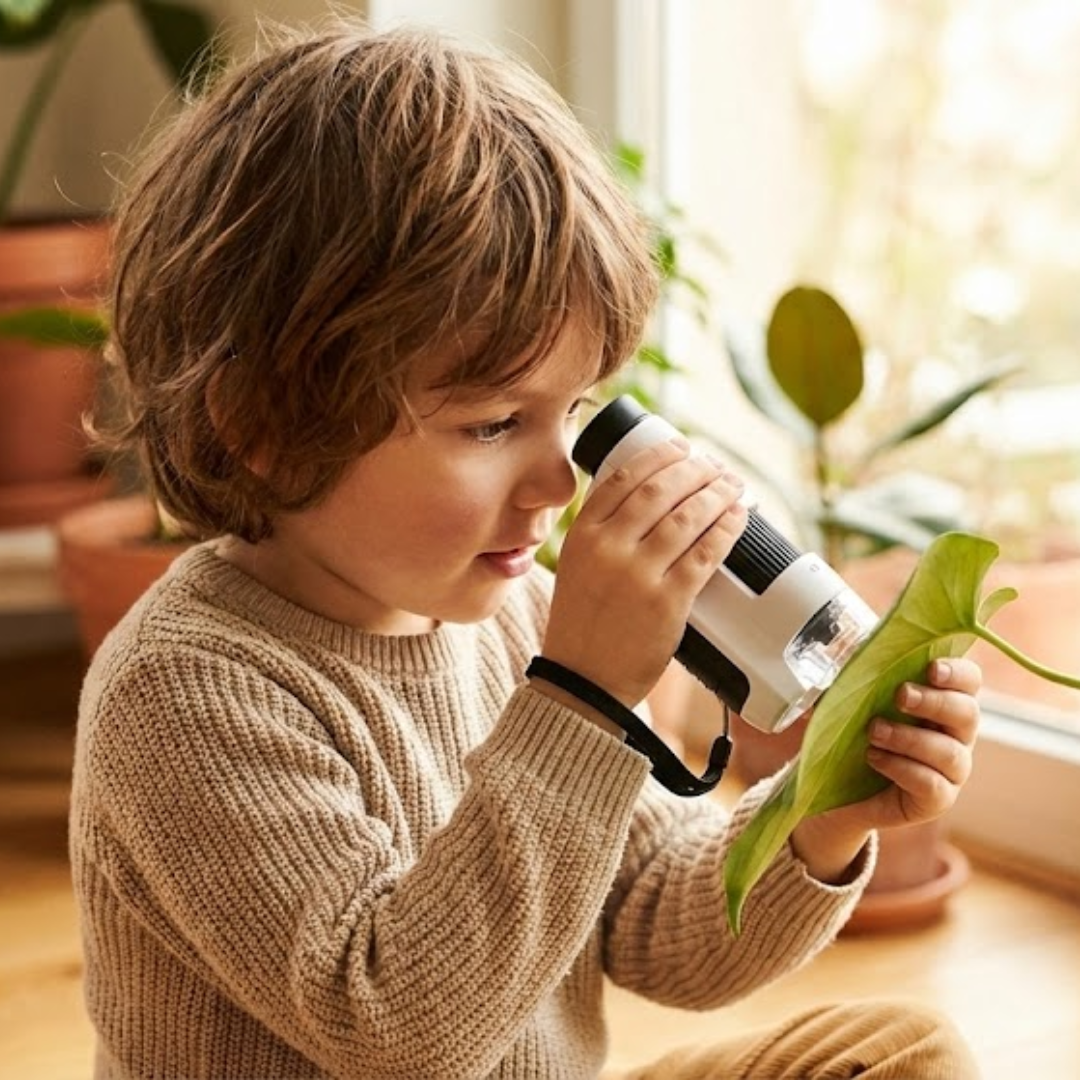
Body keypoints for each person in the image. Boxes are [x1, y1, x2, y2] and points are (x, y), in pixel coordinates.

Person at [70, 18, 983, 1080]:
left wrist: (819, 815)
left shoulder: (517, 620)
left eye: (577, 412)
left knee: (903, 1055)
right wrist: (585, 698)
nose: (561, 484)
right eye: (493, 424)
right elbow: (397, 1024)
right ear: (262, 427)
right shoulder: (184, 691)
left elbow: (653, 924)